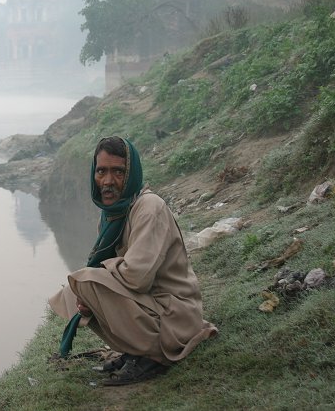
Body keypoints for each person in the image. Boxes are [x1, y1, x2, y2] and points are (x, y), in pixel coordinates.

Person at [48, 136, 217, 385]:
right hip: (150, 306)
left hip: (174, 316)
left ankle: (154, 356)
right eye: (101, 171)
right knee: (73, 292)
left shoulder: (149, 207)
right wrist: (89, 293)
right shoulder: (113, 214)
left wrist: (95, 278)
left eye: (118, 172)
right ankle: (136, 350)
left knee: (85, 281)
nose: (107, 181)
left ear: (132, 174)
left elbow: (136, 277)